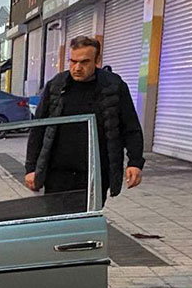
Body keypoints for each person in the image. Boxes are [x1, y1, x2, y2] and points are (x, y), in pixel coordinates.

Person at [24, 36, 145, 204]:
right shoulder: (56, 86)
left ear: (97, 61)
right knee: (57, 224)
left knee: (87, 225)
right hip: (58, 174)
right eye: (73, 61)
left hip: (95, 173)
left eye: (84, 62)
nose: (77, 68)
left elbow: (131, 128)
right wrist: (31, 168)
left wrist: (135, 162)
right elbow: (38, 128)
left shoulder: (113, 87)